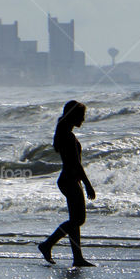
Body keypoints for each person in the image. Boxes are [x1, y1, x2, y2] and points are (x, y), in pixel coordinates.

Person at [38, 99, 96, 267]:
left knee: (75, 220)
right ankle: (47, 244)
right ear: (74, 116)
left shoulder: (65, 133)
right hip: (70, 180)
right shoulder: (68, 137)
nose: (83, 119)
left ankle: (77, 257)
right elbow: (76, 164)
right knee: (78, 220)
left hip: (69, 179)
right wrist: (88, 184)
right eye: (82, 115)